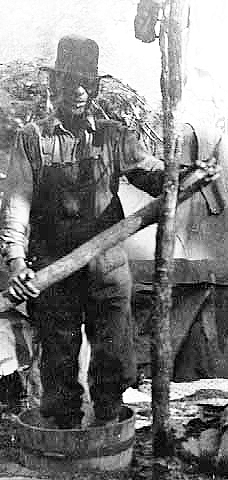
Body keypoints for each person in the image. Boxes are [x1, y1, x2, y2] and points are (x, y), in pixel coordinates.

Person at [0, 35, 169, 429]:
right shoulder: (33, 139)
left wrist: (175, 175)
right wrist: (17, 262)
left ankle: (110, 431)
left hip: (107, 272)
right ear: (54, 85)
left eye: (85, 83)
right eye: (69, 82)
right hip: (54, 272)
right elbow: (17, 206)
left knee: (113, 361)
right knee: (59, 363)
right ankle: (66, 442)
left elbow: (153, 174)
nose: (77, 91)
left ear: (94, 88)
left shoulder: (114, 136)